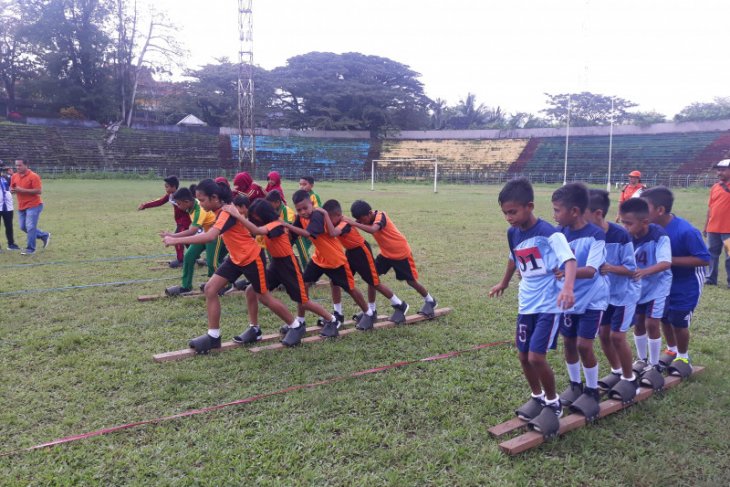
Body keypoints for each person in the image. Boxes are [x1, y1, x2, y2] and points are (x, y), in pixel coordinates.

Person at [162, 179, 301, 352]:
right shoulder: (220, 210)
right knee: (210, 289)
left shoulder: (226, 212)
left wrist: (175, 238)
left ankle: (295, 326)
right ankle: (214, 337)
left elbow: (210, 237)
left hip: (251, 258)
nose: (200, 204)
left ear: (214, 197)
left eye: (202, 200)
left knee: (263, 296)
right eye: (198, 200)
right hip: (235, 259)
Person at [489, 178, 576, 428]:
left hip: (549, 304)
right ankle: (537, 397)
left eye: (513, 212)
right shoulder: (512, 233)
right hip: (526, 303)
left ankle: (553, 402)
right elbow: (513, 258)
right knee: (523, 356)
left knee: (537, 357)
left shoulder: (550, 233)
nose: (508, 217)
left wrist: (568, 288)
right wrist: (503, 282)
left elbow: (569, 261)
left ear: (529, 206)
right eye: (505, 213)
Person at [220, 198, 341, 341]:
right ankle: (254, 329)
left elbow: (256, 230)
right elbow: (251, 230)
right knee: (251, 291)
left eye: (255, 216)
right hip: (276, 264)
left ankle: (331, 320)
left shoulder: (276, 224)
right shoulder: (267, 224)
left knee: (303, 301)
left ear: (263, 214)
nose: (254, 218)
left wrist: (238, 215)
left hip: (288, 264)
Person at [282, 189, 376, 338]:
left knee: (350, 288)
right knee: (303, 286)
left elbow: (311, 233)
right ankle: (300, 321)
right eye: (299, 209)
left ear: (312, 204)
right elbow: (293, 235)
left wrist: (287, 226)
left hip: (335, 260)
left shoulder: (318, 216)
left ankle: (368, 313)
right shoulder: (300, 218)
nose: (302, 212)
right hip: (319, 259)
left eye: (305, 208)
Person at [552, 182, 609, 415]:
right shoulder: (559, 234)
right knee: (568, 342)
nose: (554, 215)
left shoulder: (596, 235)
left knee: (584, 345)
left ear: (574, 211)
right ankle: (575, 385)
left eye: (557, 210)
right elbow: (552, 262)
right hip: (568, 299)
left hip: (592, 300)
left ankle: (592, 390)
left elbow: (592, 269)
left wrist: (565, 271)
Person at [641, 186, 710, 375]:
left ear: (660, 210)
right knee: (663, 315)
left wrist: (667, 261)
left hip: (686, 281)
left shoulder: (686, 231)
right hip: (663, 280)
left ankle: (683, 356)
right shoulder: (649, 229)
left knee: (678, 319)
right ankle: (671, 349)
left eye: (644, 208)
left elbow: (704, 258)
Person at [586, 189, 640, 399]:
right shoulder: (587, 235)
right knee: (603, 334)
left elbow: (632, 270)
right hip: (603, 296)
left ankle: (630, 379)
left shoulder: (620, 235)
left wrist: (609, 267)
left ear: (598, 213)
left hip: (624, 294)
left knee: (617, 336)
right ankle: (617, 371)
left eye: (583, 213)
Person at [346, 199, 438, 317]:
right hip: (386, 254)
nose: (360, 222)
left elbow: (373, 229)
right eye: (358, 219)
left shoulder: (381, 216)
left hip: (401, 253)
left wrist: (354, 223)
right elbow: (355, 224)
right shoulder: (365, 218)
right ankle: (372, 310)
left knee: (411, 281)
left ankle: (430, 301)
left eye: (362, 219)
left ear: (369, 213)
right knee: (371, 278)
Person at [322, 199, 409, 324]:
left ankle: (400, 305)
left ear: (338, 215)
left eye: (329, 218)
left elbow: (333, 234)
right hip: (350, 253)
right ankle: (338, 313)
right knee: (335, 281)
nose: (328, 221)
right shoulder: (333, 222)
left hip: (362, 252)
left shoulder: (344, 223)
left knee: (374, 283)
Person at [618, 198, 671, 376]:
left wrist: (644, 271)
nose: (625, 227)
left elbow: (665, 263)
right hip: (636, 288)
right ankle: (642, 359)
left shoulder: (659, 236)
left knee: (652, 323)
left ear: (645, 222)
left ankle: (654, 364)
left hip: (657, 287)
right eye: (622, 222)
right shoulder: (625, 237)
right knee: (638, 323)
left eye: (629, 223)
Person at [160, 186, 228, 296]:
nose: (178, 206)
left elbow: (192, 231)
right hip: (206, 233)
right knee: (189, 256)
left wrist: (173, 237)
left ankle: (222, 284)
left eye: (179, 203)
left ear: (186, 202)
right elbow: (193, 227)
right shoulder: (191, 206)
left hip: (215, 235)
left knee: (212, 263)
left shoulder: (199, 209)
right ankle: (186, 286)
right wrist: (173, 236)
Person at [138, 176, 190, 268]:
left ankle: (181, 260)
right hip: (179, 221)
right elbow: (159, 201)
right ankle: (194, 255)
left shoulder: (181, 196)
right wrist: (145, 205)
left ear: (174, 187)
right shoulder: (170, 195)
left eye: (167, 186)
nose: (165, 188)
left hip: (185, 221)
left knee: (177, 238)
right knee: (185, 239)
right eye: (165, 186)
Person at [10, 158, 50, 255]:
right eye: (16, 165)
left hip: (34, 205)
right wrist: (13, 191)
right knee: (23, 227)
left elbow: (38, 191)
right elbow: (12, 188)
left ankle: (30, 249)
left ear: (26, 165)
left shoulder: (34, 176)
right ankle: (44, 235)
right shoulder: (14, 176)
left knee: (30, 227)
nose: (17, 167)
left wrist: (22, 190)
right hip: (22, 206)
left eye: (20, 165)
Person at [266, 190, 311, 270]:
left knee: (303, 253)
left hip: (296, 234)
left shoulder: (286, 210)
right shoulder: (271, 210)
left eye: (270, 203)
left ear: (277, 202)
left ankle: (309, 274)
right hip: (285, 236)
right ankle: (277, 271)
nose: (268, 206)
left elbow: (289, 225)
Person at [703, 159, 730, 288]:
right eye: (718, 170)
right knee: (712, 254)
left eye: (723, 170)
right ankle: (710, 278)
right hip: (713, 228)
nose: (719, 173)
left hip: (728, 230)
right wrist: (706, 225)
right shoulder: (715, 187)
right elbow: (710, 207)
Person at [0, 167, 19, 250]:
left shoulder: (5, 178)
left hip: (8, 207)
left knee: (9, 226)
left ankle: (11, 244)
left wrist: (12, 174)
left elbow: (14, 183)